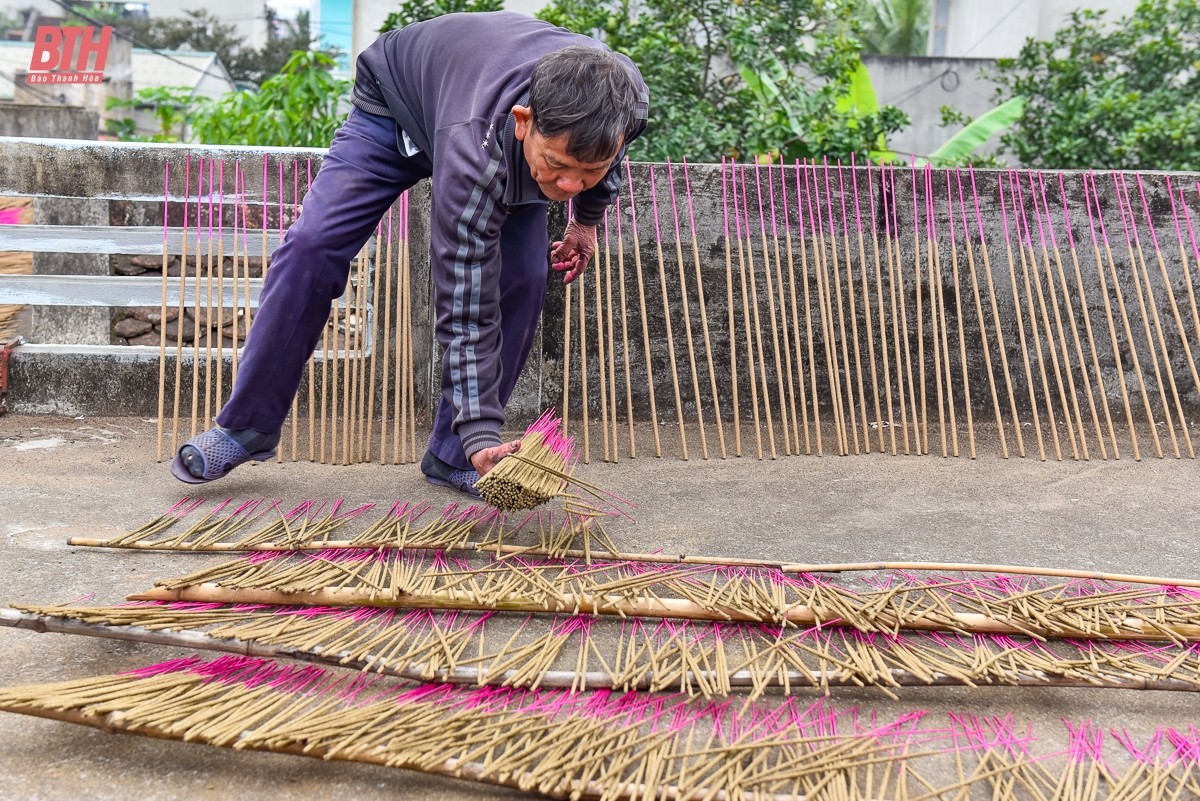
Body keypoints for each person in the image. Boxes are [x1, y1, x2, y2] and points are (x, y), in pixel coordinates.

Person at [169, 11, 649, 498]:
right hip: (397, 107)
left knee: (525, 278)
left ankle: (452, 453)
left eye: (585, 171)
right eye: (558, 167)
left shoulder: (624, 102)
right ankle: (247, 425)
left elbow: (604, 158)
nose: (568, 186)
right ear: (524, 123)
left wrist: (585, 220)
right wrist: (483, 426)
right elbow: (465, 300)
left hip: (478, 106)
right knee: (312, 247)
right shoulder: (476, 154)